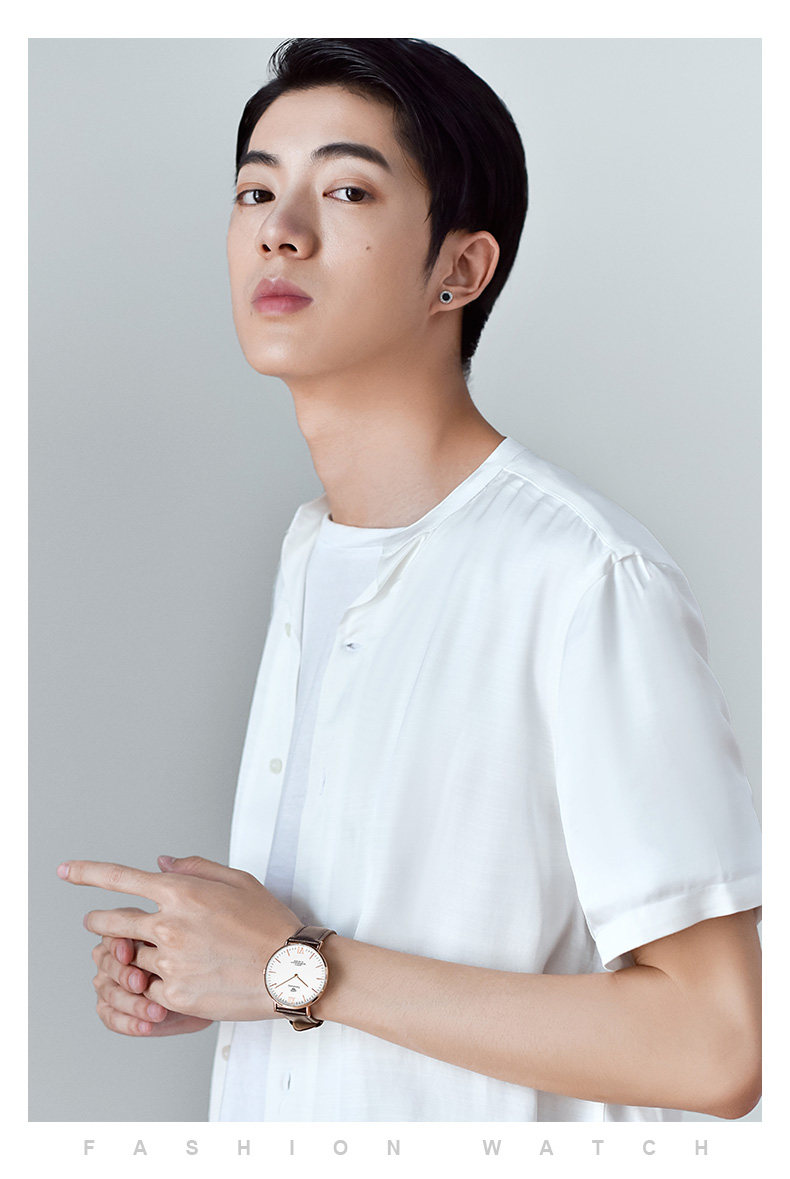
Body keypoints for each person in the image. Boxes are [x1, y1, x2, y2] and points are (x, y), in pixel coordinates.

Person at [59, 37, 762, 1122]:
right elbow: (357, 960)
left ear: (460, 271)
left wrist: (295, 967)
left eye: (346, 190)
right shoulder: (315, 552)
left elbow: (714, 1044)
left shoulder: (583, 578)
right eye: (255, 190)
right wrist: (219, 968)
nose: (280, 229)